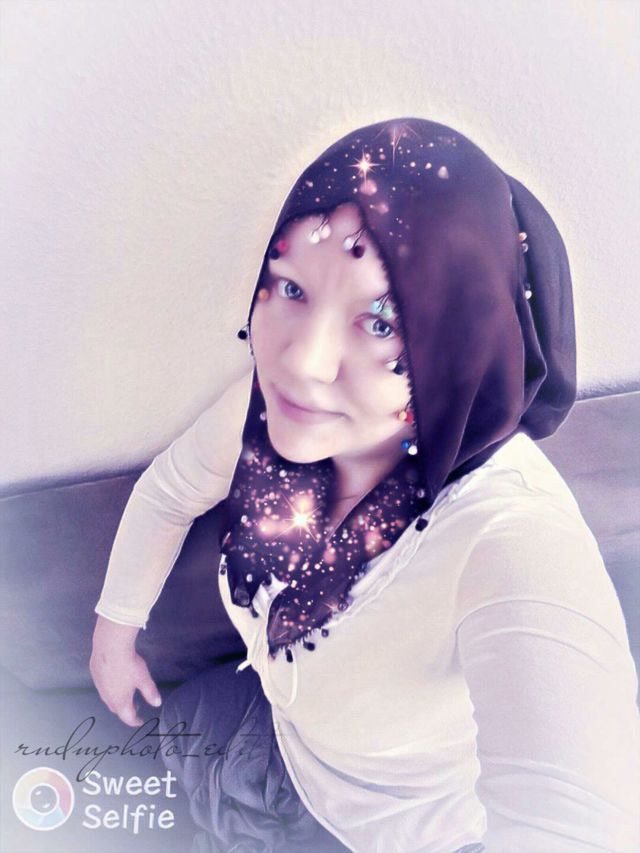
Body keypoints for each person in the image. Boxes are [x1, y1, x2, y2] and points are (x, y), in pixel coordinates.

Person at [91, 118, 640, 852]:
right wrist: (115, 632)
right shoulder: (273, 410)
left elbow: (576, 818)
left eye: (382, 320)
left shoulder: (511, 535)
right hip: (273, 741)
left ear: (460, 343)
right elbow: (169, 491)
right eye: (291, 286)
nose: (302, 361)